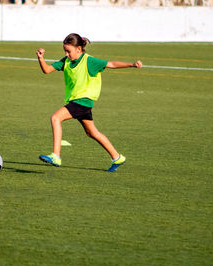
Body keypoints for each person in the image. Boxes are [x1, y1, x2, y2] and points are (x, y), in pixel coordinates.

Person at [36, 33, 142, 173]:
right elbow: (47, 70)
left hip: (82, 101)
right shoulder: (66, 61)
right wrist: (40, 58)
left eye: (69, 51)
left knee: (55, 118)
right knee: (92, 133)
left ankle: (56, 156)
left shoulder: (89, 61)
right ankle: (117, 157)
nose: (67, 54)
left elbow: (110, 64)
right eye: (65, 51)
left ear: (79, 49)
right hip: (78, 102)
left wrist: (132, 65)